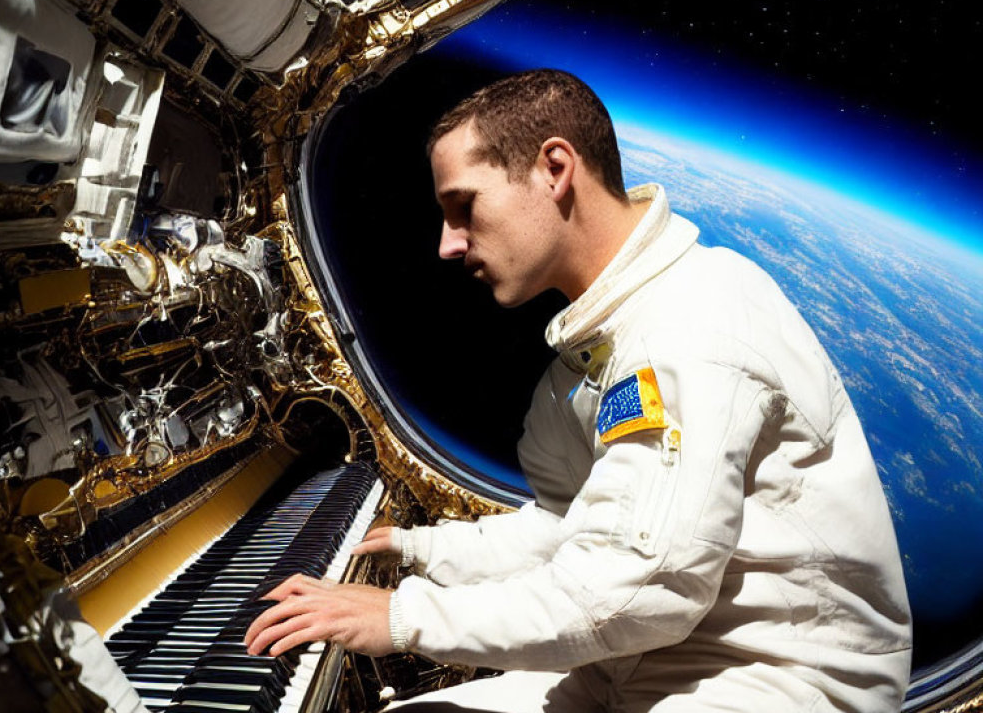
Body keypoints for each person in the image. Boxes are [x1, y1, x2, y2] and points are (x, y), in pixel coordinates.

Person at [244, 69, 912, 711]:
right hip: (642, 660)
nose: (448, 244)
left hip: (774, 680)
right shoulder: (595, 355)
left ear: (554, 170)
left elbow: (638, 586)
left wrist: (402, 615)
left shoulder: (689, 327)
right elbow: (575, 531)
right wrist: (422, 549)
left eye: (463, 207)